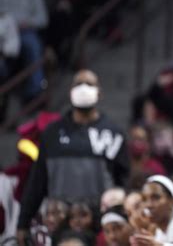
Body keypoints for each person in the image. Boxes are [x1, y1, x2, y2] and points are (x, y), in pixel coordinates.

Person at [17, 69, 129, 245]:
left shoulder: (114, 134)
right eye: (78, 83)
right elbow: (37, 182)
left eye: (89, 84)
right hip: (60, 222)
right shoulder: (51, 134)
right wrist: (22, 223)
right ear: (70, 92)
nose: (83, 88)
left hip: (99, 225)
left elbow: (123, 182)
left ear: (99, 93)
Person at [130, 175, 173, 245]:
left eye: (156, 197)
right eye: (144, 199)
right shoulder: (159, 229)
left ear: (172, 200)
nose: (148, 205)